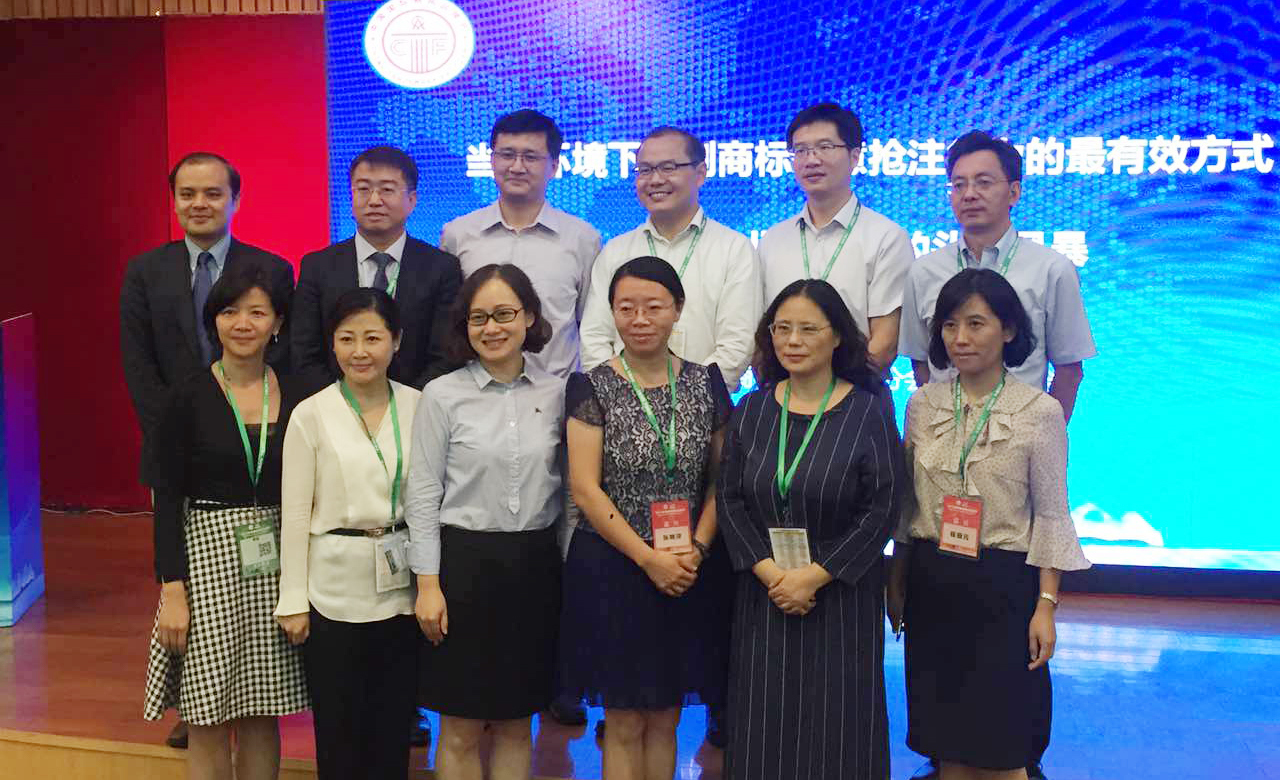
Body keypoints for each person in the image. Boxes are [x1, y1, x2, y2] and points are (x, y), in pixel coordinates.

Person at [887, 269, 1091, 780]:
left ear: (1009, 330)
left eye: (976, 323)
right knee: (948, 748)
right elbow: (910, 504)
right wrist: (897, 579)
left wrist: (1046, 605)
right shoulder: (922, 404)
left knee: (1003, 749)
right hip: (933, 584)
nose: (960, 338)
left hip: (1003, 588)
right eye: (949, 325)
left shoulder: (1039, 411)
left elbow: (1051, 514)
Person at [716, 279, 904, 780]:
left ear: (837, 336)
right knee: (761, 727)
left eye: (807, 329)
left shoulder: (867, 411)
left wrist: (815, 576)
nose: (792, 341)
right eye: (781, 329)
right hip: (765, 593)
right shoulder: (752, 410)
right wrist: (772, 573)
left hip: (840, 595)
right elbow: (729, 499)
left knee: (838, 729)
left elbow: (883, 507)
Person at [560, 256, 734, 779]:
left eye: (653, 307)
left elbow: (721, 481)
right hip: (614, 567)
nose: (639, 319)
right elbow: (585, 488)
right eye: (626, 307)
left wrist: (696, 550)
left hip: (687, 569)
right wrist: (647, 558)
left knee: (665, 716)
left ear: (677, 309)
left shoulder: (706, 383)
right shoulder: (590, 386)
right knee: (623, 719)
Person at [142, 261, 308, 779]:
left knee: (263, 710)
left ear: (277, 323)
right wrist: (172, 589)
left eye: (257, 312)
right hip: (207, 562)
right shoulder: (185, 396)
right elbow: (167, 496)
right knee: (207, 713)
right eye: (230, 311)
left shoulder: (300, 394)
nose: (243, 323)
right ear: (214, 320)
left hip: (278, 562)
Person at [405, 264, 566, 780]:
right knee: (460, 727)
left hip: (534, 568)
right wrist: (427, 585)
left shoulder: (558, 392)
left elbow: (568, 493)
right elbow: (422, 494)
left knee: (519, 724)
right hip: (463, 570)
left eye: (504, 314)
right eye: (479, 318)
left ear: (529, 317)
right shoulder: (442, 394)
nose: (491, 328)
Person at [274, 288, 421, 780]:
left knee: (393, 728)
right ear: (332, 344)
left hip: (401, 589)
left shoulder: (420, 406)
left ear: (396, 341)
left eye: (373, 338)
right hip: (331, 592)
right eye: (347, 338)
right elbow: (295, 513)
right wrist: (293, 598)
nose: (360, 351)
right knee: (339, 731)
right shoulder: (311, 413)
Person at [899, 130, 1096, 424]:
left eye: (983, 182)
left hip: (1021, 435)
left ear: (1014, 192)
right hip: (945, 436)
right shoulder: (924, 271)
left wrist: (1045, 434)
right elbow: (921, 362)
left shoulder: (1052, 269)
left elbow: (1069, 370)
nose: (969, 194)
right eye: (959, 185)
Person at [579, 127, 762, 391]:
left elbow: (737, 344)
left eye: (668, 167)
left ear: (700, 174)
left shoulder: (734, 248)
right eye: (645, 170)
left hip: (704, 406)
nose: (655, 180)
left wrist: (690, 398)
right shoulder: (616, 251)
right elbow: (595, 337)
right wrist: (620, 397)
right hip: (621, 406)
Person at [441, 109, 601, 379]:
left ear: (554, 166)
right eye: (507, 155)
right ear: (492, 160)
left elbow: (591, 326)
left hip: (557, 394)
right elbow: (452, 323)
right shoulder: (457, 234)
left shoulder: (583, 239)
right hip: (476, 392)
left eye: (530, 157)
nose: (517, 167)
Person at [292, 145, 463, 396]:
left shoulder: (441, 268)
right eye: (363, 189)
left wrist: (405, 406)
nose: (374, 200)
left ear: (412, 200)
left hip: (417, 408)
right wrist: (340, 406)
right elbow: (304, 352)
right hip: (334, 408)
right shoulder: (317, 266)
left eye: (387, 190)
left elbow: (445, 355)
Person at [758, 102, 913, 373]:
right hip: (783, 390)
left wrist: (832, 391)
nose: (811, 160)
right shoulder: (773, 240)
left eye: (825, 147)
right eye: (801, 150)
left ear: (854, 156)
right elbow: (760, 336)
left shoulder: (886, 238)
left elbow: (885, 342)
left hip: (858, 390)